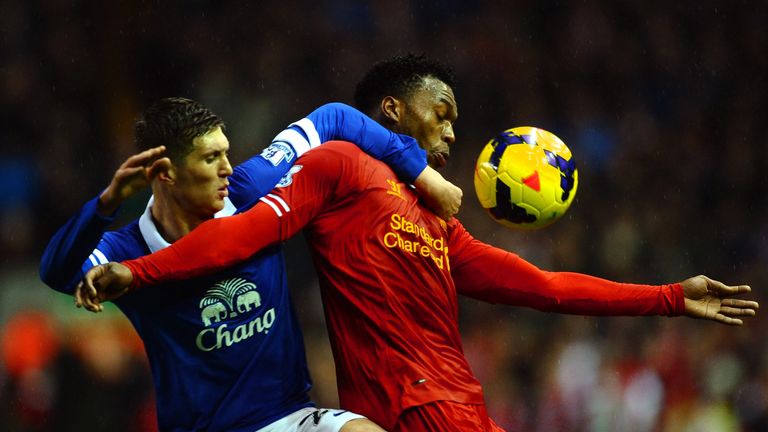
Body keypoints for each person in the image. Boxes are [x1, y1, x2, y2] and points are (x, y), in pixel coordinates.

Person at [78, 56, 759, 431]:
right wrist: (139, 275)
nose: (455, 131)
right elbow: (238, 237)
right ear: (395, 112)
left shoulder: (438, 224)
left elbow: (545, 288)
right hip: (406, 410)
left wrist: (670, 296)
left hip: (464, 408)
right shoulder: (336, 169)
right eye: (444, 111)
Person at [40, 96, 463, 432]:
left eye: (226, 153)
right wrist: (106, 203)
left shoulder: (250, 190)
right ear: (165, 173)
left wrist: (425, 177)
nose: (228, 168)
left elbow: (333, 118)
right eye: (210, 159)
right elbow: (58, 272)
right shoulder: (126, 250)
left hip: (292, 416)